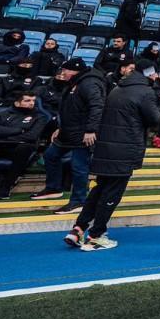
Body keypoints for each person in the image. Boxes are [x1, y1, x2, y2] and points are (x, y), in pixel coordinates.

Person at [64, 59, 160, 251]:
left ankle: (79, 228)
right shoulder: (146, 92)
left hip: (106, 147)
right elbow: (155, 118)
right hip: (124, 149)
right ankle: (95, 235)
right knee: (112, 193)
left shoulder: (117, 88)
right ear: (150, 73)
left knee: (99, 189)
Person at [30, 58, 107, 214]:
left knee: (79, 167)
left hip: (83, 134)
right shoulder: (74, 82)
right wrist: (60, 127)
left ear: (74, 70)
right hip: (67, 132)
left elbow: (97, 107)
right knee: (50, 156)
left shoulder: (89, 83)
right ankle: (53, 188)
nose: (62, 73)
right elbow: (68, 109)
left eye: (65, 70)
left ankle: (78, 201)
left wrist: (91, 130)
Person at [0, 91, 48, 201]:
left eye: (33, 101)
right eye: (27, 100)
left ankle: (5, 187)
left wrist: (5, 136)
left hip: (20, 146)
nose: (32, 103)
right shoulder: (2, 114)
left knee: (25, 148)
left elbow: (32, 136)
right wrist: (19, 130)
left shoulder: (40, 117)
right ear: (17, 103)